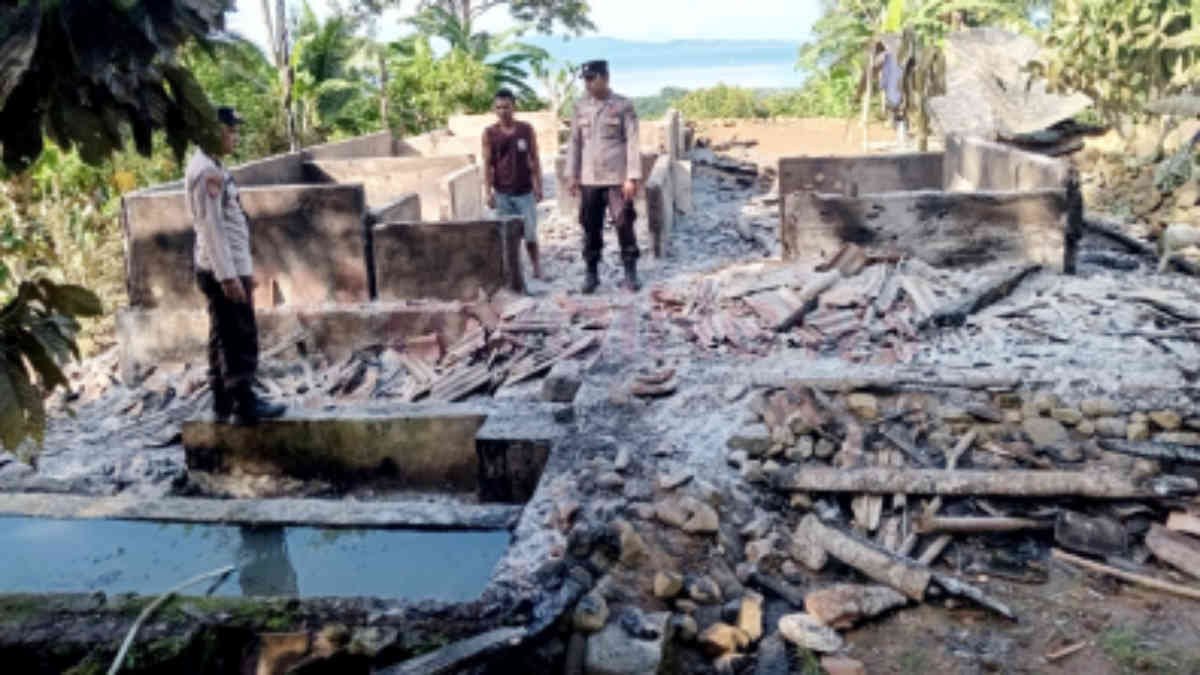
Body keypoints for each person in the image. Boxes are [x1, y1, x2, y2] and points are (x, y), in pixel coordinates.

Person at [185, 106, 286, 425]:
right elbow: (212, 228)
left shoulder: (213, 166)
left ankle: (223, 402)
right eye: (230, 131)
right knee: (238, 336)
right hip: (221, 270)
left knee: (222, 335)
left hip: (225, 266)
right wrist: (229, 277)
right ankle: (243, 403)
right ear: (212, 133)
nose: (235, 137)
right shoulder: (206, 172)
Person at [565, 59, 642, 294]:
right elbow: (575, 143)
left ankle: (630, 270)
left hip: (616, 178)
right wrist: (572, 175)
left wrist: (632, 177)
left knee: (624, 223)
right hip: (589, 178)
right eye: (585, 80)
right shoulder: (580, 107)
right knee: (590, 226)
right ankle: (591, 273)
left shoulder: (622, 106)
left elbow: (632, 142)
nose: (587, 84)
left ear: (605, 78)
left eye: (591, 79)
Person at [483, 88, 544, 279]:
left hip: (525, 191)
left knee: (530, 234)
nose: (503, 111)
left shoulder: (526, 130)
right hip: (502, 193)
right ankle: (513, 271)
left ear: (514, 107)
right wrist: (488, 192)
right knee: (508, 236)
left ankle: (536, 267)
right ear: (494, 109)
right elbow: (487, 165)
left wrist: (538, 185)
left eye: (506, 107)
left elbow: (534, 158)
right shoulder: (489, 133)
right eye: (499, 107)